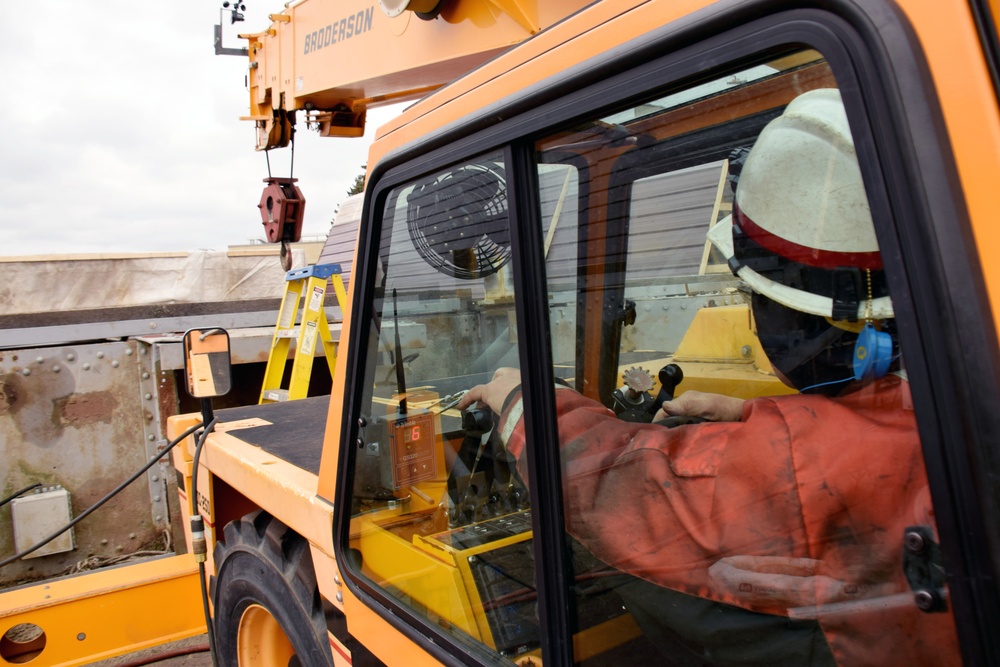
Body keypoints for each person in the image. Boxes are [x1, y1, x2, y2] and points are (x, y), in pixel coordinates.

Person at [458, 89, 960, 665]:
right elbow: (856, 438)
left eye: (757, 296)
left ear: (798, 317)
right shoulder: (945, 393)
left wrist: (521, 403)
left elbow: (615, 490)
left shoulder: (805, 463)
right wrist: (757, 418)